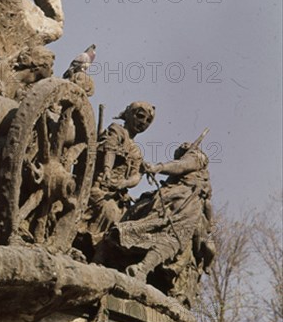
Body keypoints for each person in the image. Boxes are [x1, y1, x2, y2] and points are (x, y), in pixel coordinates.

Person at [95, 140, 215, 305]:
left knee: (170, 236)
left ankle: (139, 268)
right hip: (178, 203)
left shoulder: (196, 156)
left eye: (183, 147)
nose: (183, 147)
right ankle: (137, 267)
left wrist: (158, 167)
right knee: (167, 236)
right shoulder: (202, 178)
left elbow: (180, 165)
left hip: (180, 205)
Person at [84, 102, 155, 242]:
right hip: (98, 188)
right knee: (109, 211)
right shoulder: (116, 130)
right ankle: (87, 239)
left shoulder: (136, 151)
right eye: (140, 116)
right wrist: (107, 169)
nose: (143, 123)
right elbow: (109, 149)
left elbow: (135, 175)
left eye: (148, 121)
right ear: (129, 114)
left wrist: (125, 183)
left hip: (117, 195)